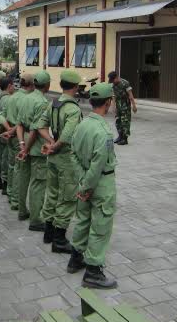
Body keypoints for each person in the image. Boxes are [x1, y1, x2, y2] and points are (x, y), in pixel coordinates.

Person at [66, 82, 118, 290]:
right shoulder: (103, 132)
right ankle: (93, 271)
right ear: (108, 102)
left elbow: (73, 154)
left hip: (84, 181)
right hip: (100, 184)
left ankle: (75, 258)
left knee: (82, 220)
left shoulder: (83, 124)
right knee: (100, 226)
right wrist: (87, 186)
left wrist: (82, 183)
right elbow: (98, 166)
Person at [37, 69, 83, 253]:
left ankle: (48, 232)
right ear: (76, 87)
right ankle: (59, 239)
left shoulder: (53, 103)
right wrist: (56, 145)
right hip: (66, 157)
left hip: (53, 157)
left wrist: (50, 143)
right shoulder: (73, 108)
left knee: (53, 192)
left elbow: (40, 126)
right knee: (68, 196)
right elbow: (68, 135)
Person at [16, 71, 50, 232]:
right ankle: (36, 219)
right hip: (35, 146)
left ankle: (22, 211)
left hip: (24, 140)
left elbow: (19, 124)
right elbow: (37, 129)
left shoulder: (25, 98)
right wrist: (27, 148)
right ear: (48, 85)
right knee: (38, 182)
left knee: (23, 177)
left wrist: (22, 144)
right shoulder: (42, 102)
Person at [1, 73, 34, 213]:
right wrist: (13, 131)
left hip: (10, 133)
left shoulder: (11, 97)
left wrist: (7, 130)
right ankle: (15, 199)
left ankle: (10, 192)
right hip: (18, 135)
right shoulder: (25, 99)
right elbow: (21, 122)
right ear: (32, 85)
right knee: (20, 169)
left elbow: (4, 116)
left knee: (11, 165)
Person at [0, 77, 14, 193]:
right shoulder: (8, 99)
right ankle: (5, 182)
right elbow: (4, 116)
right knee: (6, 157)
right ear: (9, 86)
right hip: (5, 131)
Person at [107, 71, 137, 145]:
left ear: (117, 77)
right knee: (118, 122)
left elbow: (130, 95)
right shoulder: (114, 85)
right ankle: (120, 136)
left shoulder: (125, 83)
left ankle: (125, 138)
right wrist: (113, 107)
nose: (112, 82)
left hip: (125, 106)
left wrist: (134, 106)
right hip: (118, 106)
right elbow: (113, 96)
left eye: (113, 80)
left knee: (125, 122)